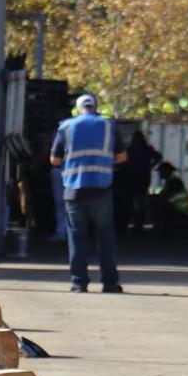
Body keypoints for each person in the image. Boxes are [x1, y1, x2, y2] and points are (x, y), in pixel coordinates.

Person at [50, 92, 127, 292]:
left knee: (77, 239)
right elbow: (122, 156)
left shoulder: (66, 127)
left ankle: (78, 283)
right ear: (95, 107)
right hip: (101, 190)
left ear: (78, 108)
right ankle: (109, 283)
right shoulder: (108, 125)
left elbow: (54, 160)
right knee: (105, 239)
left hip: (74, 191)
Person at [148, 159, 188, 229]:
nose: (159, 174)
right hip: (178, 208)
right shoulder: (171, 181)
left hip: (179, 209)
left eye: (161, 171)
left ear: (166, 171)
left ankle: (160, 225)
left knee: (155, 202)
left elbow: (164, 196)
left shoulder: (173, 182)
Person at [125, 129, 154, 231]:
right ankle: (138, 222)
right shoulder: (145, 149)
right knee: (139, 201)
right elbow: (158, 157)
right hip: (140, 177)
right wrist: (150, 166)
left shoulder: (131, 150)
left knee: (136, 201)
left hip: (135, 178)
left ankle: (137, 222)